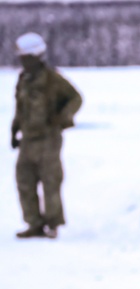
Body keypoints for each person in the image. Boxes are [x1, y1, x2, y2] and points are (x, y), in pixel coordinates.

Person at [10, 32, 82, 240]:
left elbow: (76, 99)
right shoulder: (23, 79)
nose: (23, 61)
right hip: (28, 139)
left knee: (50, 181)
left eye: (26, 57)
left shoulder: (52, 79)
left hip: (48, 139)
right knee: (24, 181)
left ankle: (53, 224)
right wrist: (14, 131)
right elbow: (20, 108)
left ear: (36, 56)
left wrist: (62, 118)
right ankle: (34, 223)